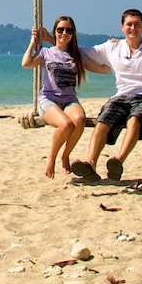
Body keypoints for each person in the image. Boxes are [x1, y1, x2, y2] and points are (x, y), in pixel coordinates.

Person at [70, 9, 142, 183]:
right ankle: (91, 164)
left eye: (137, 24)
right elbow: (82, 51)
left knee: (134, 119)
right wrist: (50, 40)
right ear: (122, 27)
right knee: (103, 120)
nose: (133, 28)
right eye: (129, 24)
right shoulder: (112, 47)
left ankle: (118, 161)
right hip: (121, 97)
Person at [20, 16, 108, 178]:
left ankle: (65, 155)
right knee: (66, 124)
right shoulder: (46, 52)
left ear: (73, 34)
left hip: (69, 100)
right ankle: (51, 159)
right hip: (48, 99)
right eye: (60, 30)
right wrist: (33, 41)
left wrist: (115, 50)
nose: (64, 33)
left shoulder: (77, 55)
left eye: (69, 30)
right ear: (55, 32)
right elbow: (26, 64)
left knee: (80, 119)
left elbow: (104, 69)